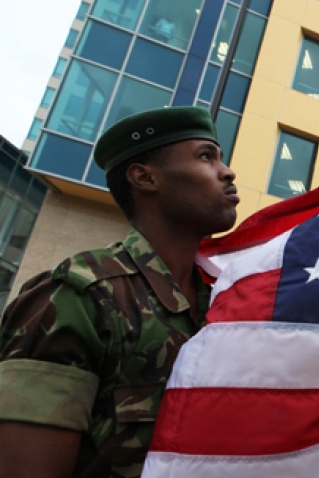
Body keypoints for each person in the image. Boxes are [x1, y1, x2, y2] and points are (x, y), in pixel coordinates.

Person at [0, 107, 239, 478]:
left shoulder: (225, 304)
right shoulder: (78, 298)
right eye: (206, 156)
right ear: (145, 178)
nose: (227, 171)